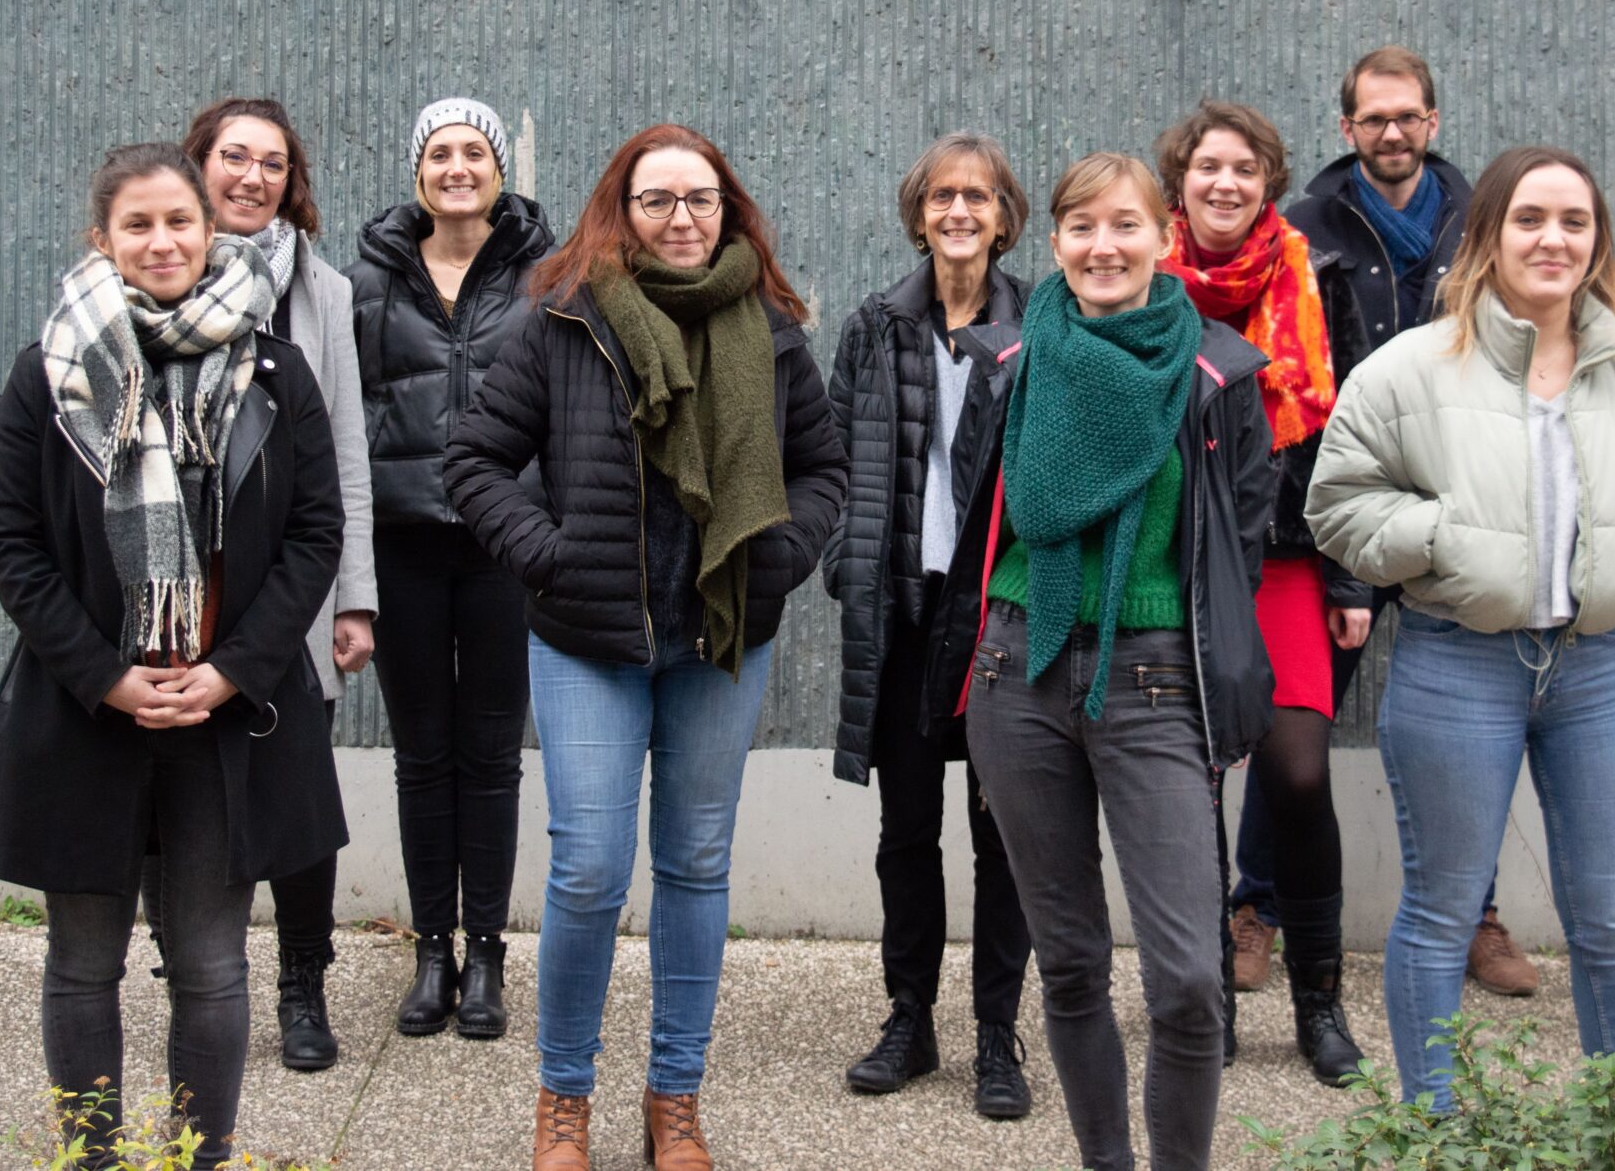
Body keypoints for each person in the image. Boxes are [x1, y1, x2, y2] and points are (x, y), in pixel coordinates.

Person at [444, 123, 844, 1171]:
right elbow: (475, 458)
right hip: (589, 637)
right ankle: (563, 1096)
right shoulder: (563, 319)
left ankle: (675, 1095)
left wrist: (779, 554)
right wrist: (547, 555)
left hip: (721, 634)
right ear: (620, 211)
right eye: (657, 200)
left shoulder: (770, 325)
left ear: (728, 208)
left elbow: (823, 465)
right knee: (587, 868)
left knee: (697, 862)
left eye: (700, 199)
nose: (681, 218)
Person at [1306, 145, 1615, 1111]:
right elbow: (1338, 504)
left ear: (1597, 242)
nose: (1553, 239)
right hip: (1458, 663)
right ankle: (1436, 1129)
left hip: (1606, 671)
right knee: (1442, 910)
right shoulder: (1410, 370)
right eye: (1530, 218)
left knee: (1611, 919)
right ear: (1488, 234)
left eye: (1575, 222)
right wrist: (1442, 539)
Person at [0, 143, 347, 1170]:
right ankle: (91, 1157)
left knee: (213, 966)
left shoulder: (276, 370)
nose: (162, 240)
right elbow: (11, 542)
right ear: (103, 239)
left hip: (228, 713)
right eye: (138, 224)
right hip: (88, 708)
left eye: (180, 220)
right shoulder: (47, 372)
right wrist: (104, 674)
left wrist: (234, 669)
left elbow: (315, 532)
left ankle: (197, 1157)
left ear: (209, 229)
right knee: (83, 962)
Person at [934, 151, 1277, 1171]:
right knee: (1072, 961)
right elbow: (977, 511)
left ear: (1165, 237)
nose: (1103, 246)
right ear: (1055, 243)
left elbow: (1239, 539)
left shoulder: (1216, 372)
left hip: (1155, 678)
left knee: (1189, 981)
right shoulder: (1009, 361)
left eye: (1126, 224)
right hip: (1017, 674)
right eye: (1082, 227)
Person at [1274, 45, 1543, 1000]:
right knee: (1294, 726)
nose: (1392, 132)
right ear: (1345, 127)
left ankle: (1476, 915)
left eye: (1408, 116)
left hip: (1460, 508)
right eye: (1373, 118)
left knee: (1471, 731)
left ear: (1433, 121)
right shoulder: (1303, 227)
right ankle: (1255, 907)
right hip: (1340, 509)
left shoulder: (1486, 222)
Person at [153, 95, 377, 1073]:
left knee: (294, 797)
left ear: (293, 183)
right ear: (198, 165)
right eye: (234, 158)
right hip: (172, 585)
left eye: (272, 164)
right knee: (170, 790)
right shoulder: (149, 271)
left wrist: (355, 595)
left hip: (292, 583)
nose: (251, 177)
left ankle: (302, 983)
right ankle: (193, 973)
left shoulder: (321, 291)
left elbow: (346, 449)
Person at [1153, 99, 1365, 1085]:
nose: (1225, 183)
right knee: (1188, 785)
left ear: (1269, 182)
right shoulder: (1143, 278)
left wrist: (1350, 572)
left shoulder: (1318, 277)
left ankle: (1319, 997)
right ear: (1180, 180)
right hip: (1172, 560)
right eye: (1208, 167)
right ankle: (1205, 1001)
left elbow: (1355, 435)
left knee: (1298, 772)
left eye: (1245, 168)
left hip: (1284, 557)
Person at [824, 131, 1036, 1118]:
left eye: (977, 197)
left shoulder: (1040, 324)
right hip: (906, 617)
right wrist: (848, 563)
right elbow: (831, 456)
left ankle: (998, 1034)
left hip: (998, 620)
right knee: (906, 829)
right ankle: (909, 1017)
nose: (958, 211)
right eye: (942, 196)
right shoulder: (875, 327)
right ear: (919, 215)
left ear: (1004, 218)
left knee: (1005, 837)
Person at [348, 96, 556, 1042]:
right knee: (423, 753)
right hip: (404, 542)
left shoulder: (548, 277)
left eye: (475, 151)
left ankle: (488, 955)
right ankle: (433, 951)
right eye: (439, 153)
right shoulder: (371, 279)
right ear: (418, 171)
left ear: (499, 169)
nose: (457, 167)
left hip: (505, 544)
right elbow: (347, 411)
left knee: (493, 756)